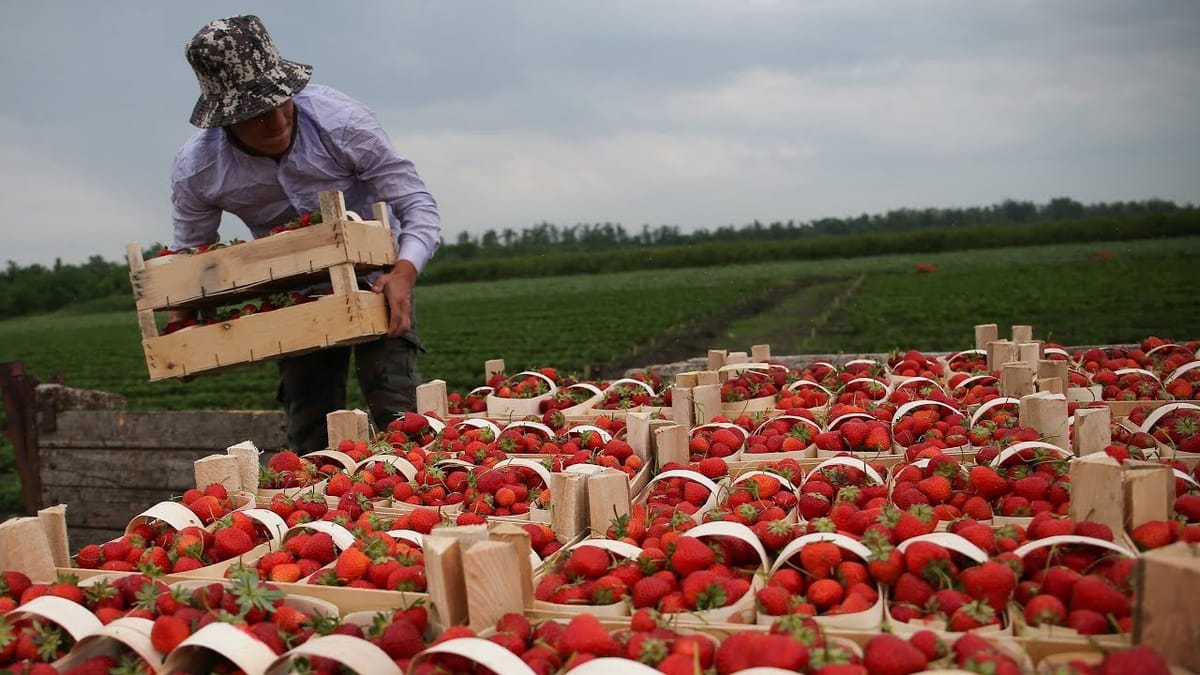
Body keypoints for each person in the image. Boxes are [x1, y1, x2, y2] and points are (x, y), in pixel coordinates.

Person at [171, 15, 441, 452]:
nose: (276, 119)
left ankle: (413, 505)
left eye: (282, 100)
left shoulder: (343, 124)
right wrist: (182, 330)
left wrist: (405, 274)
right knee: (309, 426)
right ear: (224, 119)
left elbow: (417, 205)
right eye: (255, 113)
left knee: (399, 413)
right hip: (294, 296)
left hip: (376, 278)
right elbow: (190, 260)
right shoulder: (199, 169)